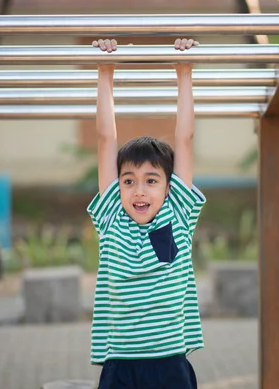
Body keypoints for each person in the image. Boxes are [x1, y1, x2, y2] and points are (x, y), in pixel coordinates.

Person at [87, 38, 205, 389]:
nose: (139, 190)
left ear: (168, 187)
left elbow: (184, 139)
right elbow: (105, 139)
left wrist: (184, 72)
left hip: (170, 363)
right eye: (129, 181)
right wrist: (105, 71)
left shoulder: (178, 214)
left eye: (151, 180)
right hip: (121, 363)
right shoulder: (111, 218)